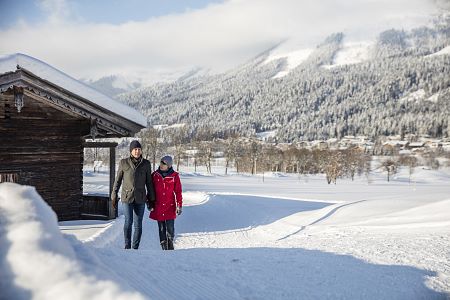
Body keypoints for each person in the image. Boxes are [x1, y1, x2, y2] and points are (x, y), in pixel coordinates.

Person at [111, 140, 155, 249]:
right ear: (131, 151)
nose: (137, 151)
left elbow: (149, 182)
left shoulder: (146, 164)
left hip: (140, 198)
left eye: (139, 149)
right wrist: (114, 195)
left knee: (138, 224)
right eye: (135, 149)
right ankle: (127, 246)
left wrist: (152, 199)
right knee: (128, 221)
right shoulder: (123, 163)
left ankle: (135, 248)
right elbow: (118, 180)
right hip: (127, 197)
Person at [149, 155, 183, 250]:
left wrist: (179, 205)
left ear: (168, 165)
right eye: (161, 162)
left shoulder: (174, 176)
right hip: (158, 206)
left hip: (170, 206)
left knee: (170, 227)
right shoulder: (155, 175)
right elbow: (150, 190)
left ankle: (170, 241)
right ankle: (163, 245)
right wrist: (150, 203)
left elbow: (178, 192)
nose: (161, 165)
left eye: (163, 163)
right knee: (161, 228)